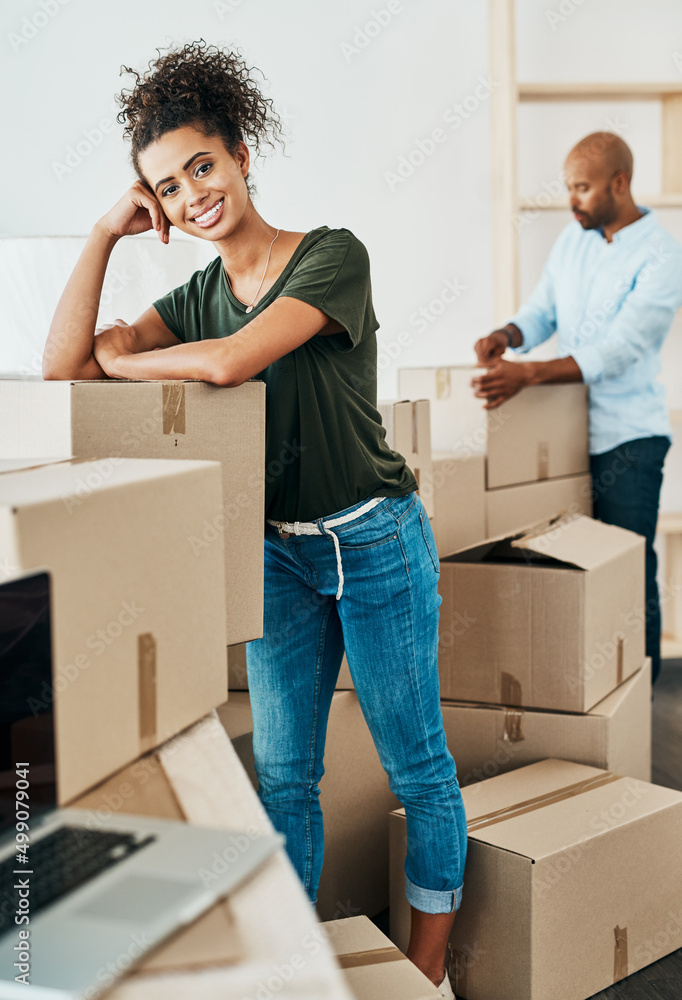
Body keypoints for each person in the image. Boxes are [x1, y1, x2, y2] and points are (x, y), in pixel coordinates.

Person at [42, 40, 466, 996]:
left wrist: (131, 362)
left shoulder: (331, 255)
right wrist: (107, 232)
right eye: (167, 186)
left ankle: (429, 976)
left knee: (418, 768)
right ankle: (300, 969)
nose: (193, 193)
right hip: (278, 557)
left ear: (240, 154)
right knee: (282, 779)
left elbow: (233, 362)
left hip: (375, 541)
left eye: (203, 164)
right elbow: (64, 367)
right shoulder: (194, 294)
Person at [473, 131, 682, 688]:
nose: (572, 200)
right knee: (570, 569)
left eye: (582, 188)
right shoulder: (574, 240)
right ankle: (590, 693)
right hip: (565, 438)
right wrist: (508, 333)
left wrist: (530, 373)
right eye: (568, 187)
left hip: (628, 440)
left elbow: (621, 348)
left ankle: (639, 699)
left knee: (624, 570)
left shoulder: (663, 255)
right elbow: (542, 309)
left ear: (619, 183)